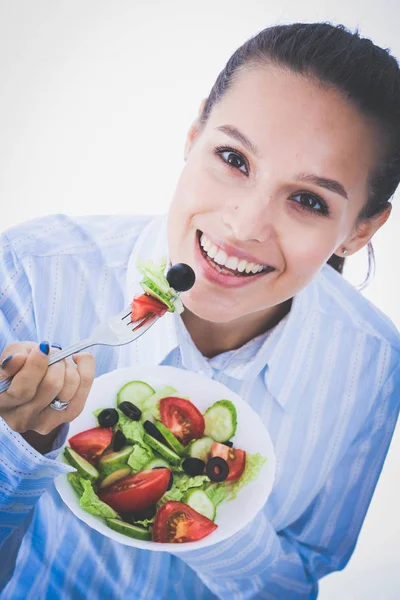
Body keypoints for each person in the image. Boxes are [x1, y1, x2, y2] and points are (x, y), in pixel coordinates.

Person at [0, 21, 399, 600]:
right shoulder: (30, 274)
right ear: (193, 136)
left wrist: (219, 523)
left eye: (309, 200)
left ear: (360, 229)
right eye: (234, 158)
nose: (243, 226)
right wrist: (16, 452)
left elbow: (295, 582)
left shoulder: (374, 366)